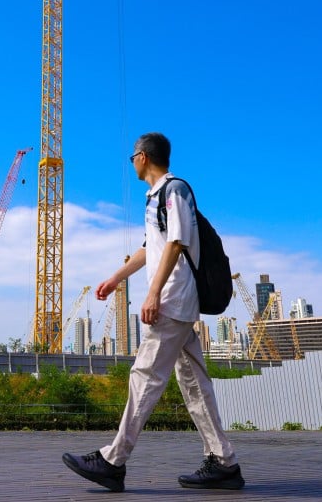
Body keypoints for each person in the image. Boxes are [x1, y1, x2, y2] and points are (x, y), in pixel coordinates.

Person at [62, 132, 244, 492]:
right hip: (174, 301)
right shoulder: (155, 197)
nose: (131, 162)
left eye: (132, 157)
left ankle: (114, 460)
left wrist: (153, 293)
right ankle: (224, 462)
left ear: (143, 157)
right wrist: (116, 277)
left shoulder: (175, 189)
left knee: (144, 375)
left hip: (173, 300)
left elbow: (177, 242)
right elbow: (152, 247)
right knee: (194, 384)